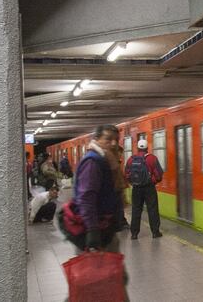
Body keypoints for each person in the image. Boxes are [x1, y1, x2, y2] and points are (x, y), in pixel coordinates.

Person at [72, 124, 128, 300]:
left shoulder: (106, 160)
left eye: (115, 140)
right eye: (107, 139)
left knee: (115, 277)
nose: (112, 143)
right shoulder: (93, 161)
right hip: (98, 230)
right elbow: (86, 198)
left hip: (105, 228)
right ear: (96, 140)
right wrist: (92, 231)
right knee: (111, 279)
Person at [124, 139, 163, 240]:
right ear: (147, 148)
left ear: (137, 148)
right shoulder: (152, 158)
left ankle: (134, 234)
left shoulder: (131, 159)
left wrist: (133, 183)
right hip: (149, 188)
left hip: (136, 188)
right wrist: (151, 181)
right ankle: (155, 232)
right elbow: (159, 175)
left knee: (136, 210)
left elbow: (127, 174)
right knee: (152, 209)